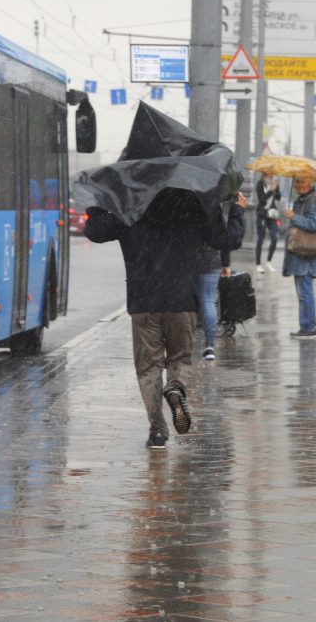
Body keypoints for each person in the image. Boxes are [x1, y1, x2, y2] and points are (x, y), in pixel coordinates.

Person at [85, 189, 246, 450]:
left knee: (148, 367)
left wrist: (97, 203)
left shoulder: (132, 203)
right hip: (181, 299)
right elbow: (229, 239)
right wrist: (237, 209)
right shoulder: (193, 203)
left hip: (143, 301)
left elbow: (95, 230)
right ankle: (176, 388)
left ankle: (157, 431)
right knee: (180, 359)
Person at [282, 174, 316, 339]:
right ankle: (305, 326)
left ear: (311, 183)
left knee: (305, 292)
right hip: (300, 255)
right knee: (302, 293)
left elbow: (315, 224)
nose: (299, 185)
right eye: (297, 182)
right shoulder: (301, 200)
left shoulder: (312, 200)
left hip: (306, 255)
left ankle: (309, 328)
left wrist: (295, 217)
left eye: (302, 182)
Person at [196, 245, 231, 361]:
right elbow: (224, 238)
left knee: (188, 301)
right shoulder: (215, 226)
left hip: (191, 260)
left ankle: (184, 343)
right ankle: (209, 346)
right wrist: (226, 263)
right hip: (212, 261)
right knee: (209, 300)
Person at [254, 175, 282, 273]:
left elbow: (278, 197)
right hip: (262, 214)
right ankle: (258, 264)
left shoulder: (274, 183)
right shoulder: (260, 184)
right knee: (260, 238)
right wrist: (270, 191)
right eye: (268, 174)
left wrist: (276, 188)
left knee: (275, 237)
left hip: (272, 214)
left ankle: (268, 262)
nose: (270, 176)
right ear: (264, 174)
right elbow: (262, 200)